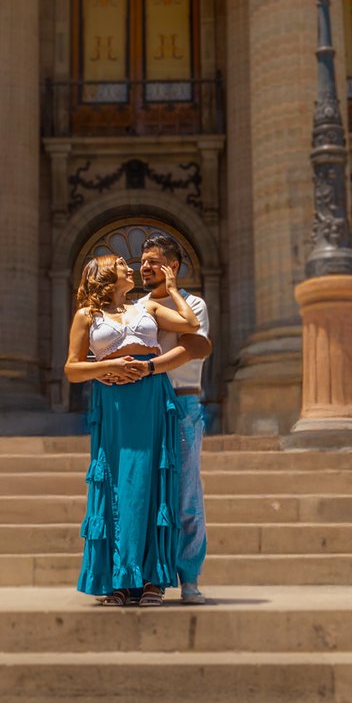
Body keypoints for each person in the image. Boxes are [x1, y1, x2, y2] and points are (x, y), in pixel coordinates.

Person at [65, 254, 200, 607]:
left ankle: (153, 579)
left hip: (153, 396)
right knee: (118, 481)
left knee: (153, 481)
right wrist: (103, 368)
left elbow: (190, 324)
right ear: (105, 273)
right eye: (122, 263)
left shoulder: (148, 308)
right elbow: (72, 369)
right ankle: (119, 580)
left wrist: (173, 289)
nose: (131, 267)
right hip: (114, 403)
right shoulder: (87, 316)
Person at [138, 234, 212, 605]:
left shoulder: (194, 304)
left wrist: (151, 366)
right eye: (142, 261)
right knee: (147, 493)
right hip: (146, 406)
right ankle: (149, 577)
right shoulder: (137, 307)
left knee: (186, 495)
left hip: (183, 406)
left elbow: (191, 348)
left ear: (173, 266)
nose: (145, 267)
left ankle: (190, 576)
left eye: (153, 261)